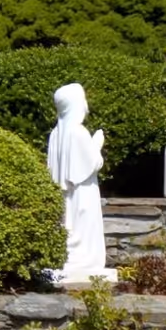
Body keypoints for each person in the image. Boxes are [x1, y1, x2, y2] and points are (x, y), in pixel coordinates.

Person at [46, 83, 116, 284]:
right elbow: (92, 163)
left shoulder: (55, 135)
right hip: (84, 191)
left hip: (66, 194)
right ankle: (84, 263)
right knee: (85, 227)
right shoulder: (78, 132)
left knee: (70, 224)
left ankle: (68, 259)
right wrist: (97, 144)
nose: (86, 107)